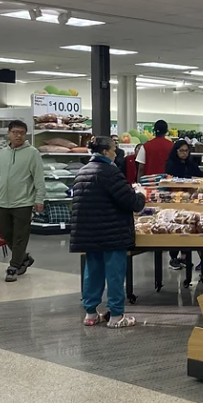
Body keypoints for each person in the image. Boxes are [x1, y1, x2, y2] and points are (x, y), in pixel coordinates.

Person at [70, 136, 146, 327]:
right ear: (105, 152)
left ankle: (90, 314)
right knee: (114, 273)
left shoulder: (82, 172)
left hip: (89, 232)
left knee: (92, 272)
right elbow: (131, 202)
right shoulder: (110, 172)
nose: (115, 153)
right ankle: (116, 316)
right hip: (112, 233)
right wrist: (141, 195)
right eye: (114, 150)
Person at [0, 119, 45, 282]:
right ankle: (24, 258)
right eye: (15, 132)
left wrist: (39, 198)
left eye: (21, 133)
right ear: (9, 133)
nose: (18, 136)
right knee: (7, 234)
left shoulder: (32, 153)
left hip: (23, 202)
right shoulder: (3, 153)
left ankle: (13, 266)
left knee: (20, 236)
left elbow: (39, 178)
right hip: (2, 202)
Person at [164, 139, 203, 278]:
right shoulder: (171, 164)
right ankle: (175, 257)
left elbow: (201, 176)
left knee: (192, 228)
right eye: (181, 151)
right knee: (176, 228)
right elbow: (170, 181)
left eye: (186, 151)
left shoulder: (191, 164)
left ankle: (197, 260)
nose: (184, 153)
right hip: (175, 202)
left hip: (191, 202)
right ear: (176, 151)